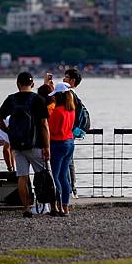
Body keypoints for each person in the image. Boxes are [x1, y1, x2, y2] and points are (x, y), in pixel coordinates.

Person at [0, 72, 51, 218]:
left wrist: (8, 132)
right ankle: (44, 205)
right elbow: (44, 125)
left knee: (22, 176)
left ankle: (26, 208)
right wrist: (46, 146)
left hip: (17, 146)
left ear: (17, 84)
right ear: (32, 84)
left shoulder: (11, 99)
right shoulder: (38, 99)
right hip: (36, 144)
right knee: (42, 174)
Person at [47, 82, 76, 216]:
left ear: (58, 96)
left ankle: (58, 206)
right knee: (64, 177)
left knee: (56, 176)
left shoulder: (57, 111)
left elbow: (50, 130)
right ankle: (66, 206)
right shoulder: (71, 110)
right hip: (69, 143)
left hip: (57, 144)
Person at [63, 68, 85, 199]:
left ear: (72, 80)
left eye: (66, 77)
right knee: (69, 161)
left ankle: (70, 190)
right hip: (71, 133)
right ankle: (72, 189)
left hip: (66, 133)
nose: (63, 79)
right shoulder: (73, 95)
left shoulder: (69, 95)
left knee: (67, 162)